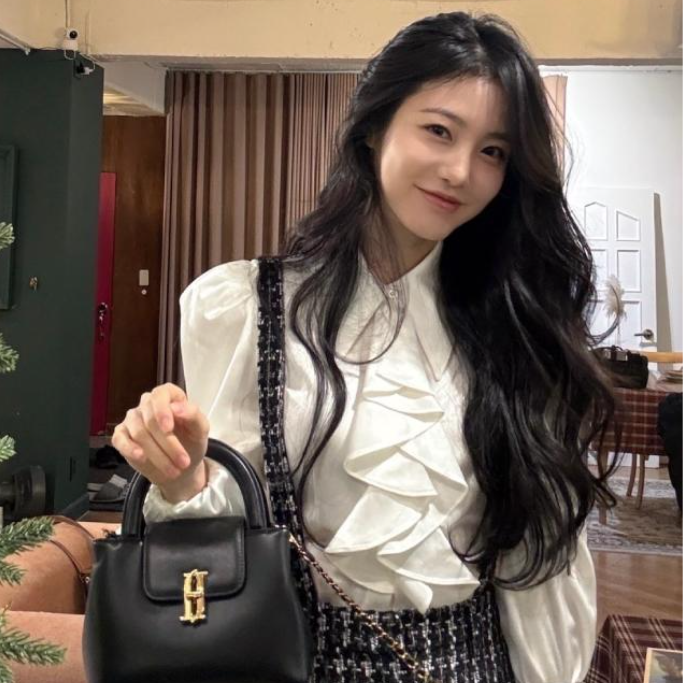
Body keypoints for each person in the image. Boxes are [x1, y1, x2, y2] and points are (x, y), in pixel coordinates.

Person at [112, 11, 619, 683]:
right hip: (296, 660)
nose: (460, 171)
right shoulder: (245, 308)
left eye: (494, 151)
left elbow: (541, 567)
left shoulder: (516, 327)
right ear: (375, 125)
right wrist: (181, 477)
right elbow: (229, 529)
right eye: (438, 130)